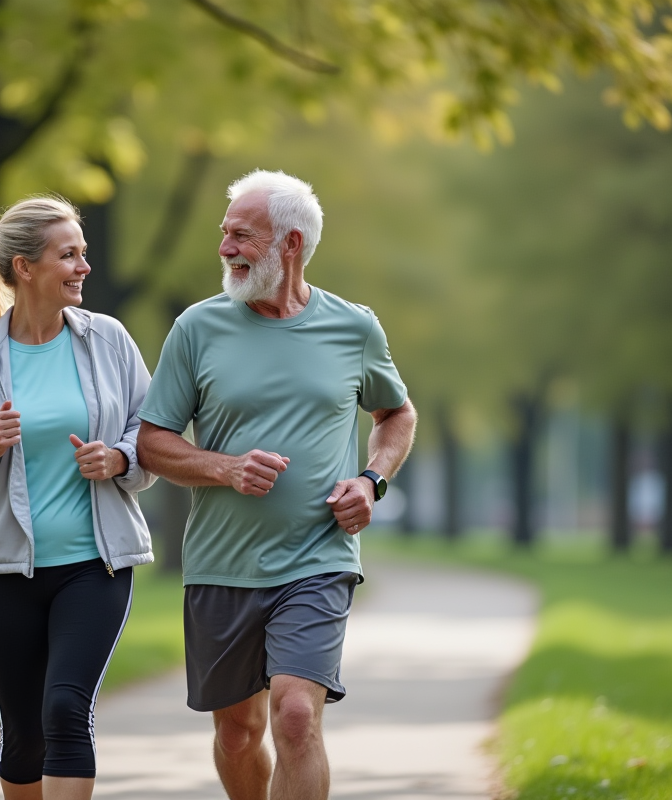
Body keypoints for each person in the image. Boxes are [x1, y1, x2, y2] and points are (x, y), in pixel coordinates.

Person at [136, 170, 418, 800]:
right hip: (221, 565)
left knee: (295, 717)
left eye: (241, 234)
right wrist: (224, 467)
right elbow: (152, 441)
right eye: (224, 233)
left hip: (317, 558)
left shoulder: (354, 327)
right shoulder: (196, 328)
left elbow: (396, 413)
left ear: (290, 243)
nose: (225, 247)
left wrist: (371, 481)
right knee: (239, 733)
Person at [0, 196, 156, 800]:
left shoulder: (109, 339)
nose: (83, 266)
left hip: (93, 566)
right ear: (25, 268)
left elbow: (149, 432)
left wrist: (120, 458)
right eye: (68, 255)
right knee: (24, 731)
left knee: (64, 708)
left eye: (83, 253)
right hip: (1, 572)